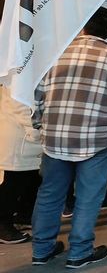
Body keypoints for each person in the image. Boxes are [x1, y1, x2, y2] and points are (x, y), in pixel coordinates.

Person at [30, 7, 107, 268]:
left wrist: (41, 126)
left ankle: (42, 250)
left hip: (55, 138)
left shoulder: (56, 54)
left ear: (83, 26)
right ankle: (79, 252)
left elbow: (37, 97)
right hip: (98, 138)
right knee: (89, 197)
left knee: (49, 194)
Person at [0, 87, 42, 244]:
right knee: (13, 181)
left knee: (31, 178)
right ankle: (3, 224)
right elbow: (20, 105)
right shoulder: (20, 68)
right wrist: (35, 130)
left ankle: (25, 215)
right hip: (19, 135)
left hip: (27, 137)